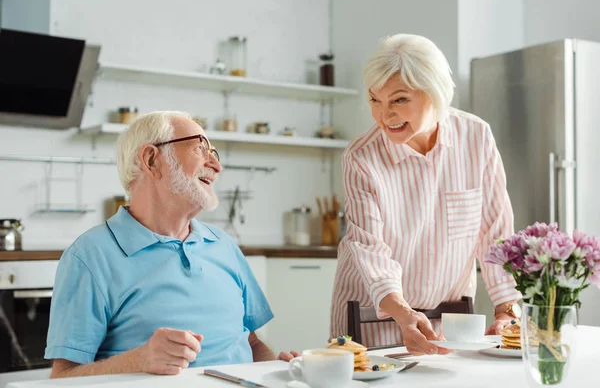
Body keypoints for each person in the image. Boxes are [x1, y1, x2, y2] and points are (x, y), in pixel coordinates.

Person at [45, 111, 299, 378]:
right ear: (152, 159)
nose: (215, 165)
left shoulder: (223, 244)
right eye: (200, 148)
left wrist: (276, 372)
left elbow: (252, 342)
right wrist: (138, 360)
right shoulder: (89, 256)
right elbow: (62, 376)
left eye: (215, 153)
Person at [330, 34, 522, 356]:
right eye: (375, 100)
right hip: (371, 318)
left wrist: (506, 308)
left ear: (435, 93)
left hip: (450, 320)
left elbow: (494, 232)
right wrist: (403, 313)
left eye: (399, 100)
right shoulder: (361, 157)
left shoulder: (475, 137)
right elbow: (370, 248)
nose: (383, 115)